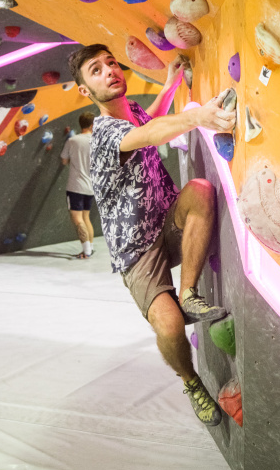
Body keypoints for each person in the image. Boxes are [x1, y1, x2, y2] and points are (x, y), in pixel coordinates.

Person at [67, 44, 236, 427]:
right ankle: (191, 381)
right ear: (85, 90)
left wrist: (172, 81)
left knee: (199, 190)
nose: (110, 70)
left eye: (111, 63)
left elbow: (153, 117)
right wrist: (201, 117)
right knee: (171, 326)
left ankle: (189, 292)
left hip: (166, 224)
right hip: (136, 252)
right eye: (96, 70)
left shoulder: (131, 113)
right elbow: (150, 134)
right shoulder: (106, 133)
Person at [60, 112, 96, 258]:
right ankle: (90, 247)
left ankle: (86, 251)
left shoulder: (72, 141)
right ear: (93, 125)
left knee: (77, 218)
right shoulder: (97, 141)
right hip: (91, 187)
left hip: (76, 186)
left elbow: (64, 161)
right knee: (86, 217)